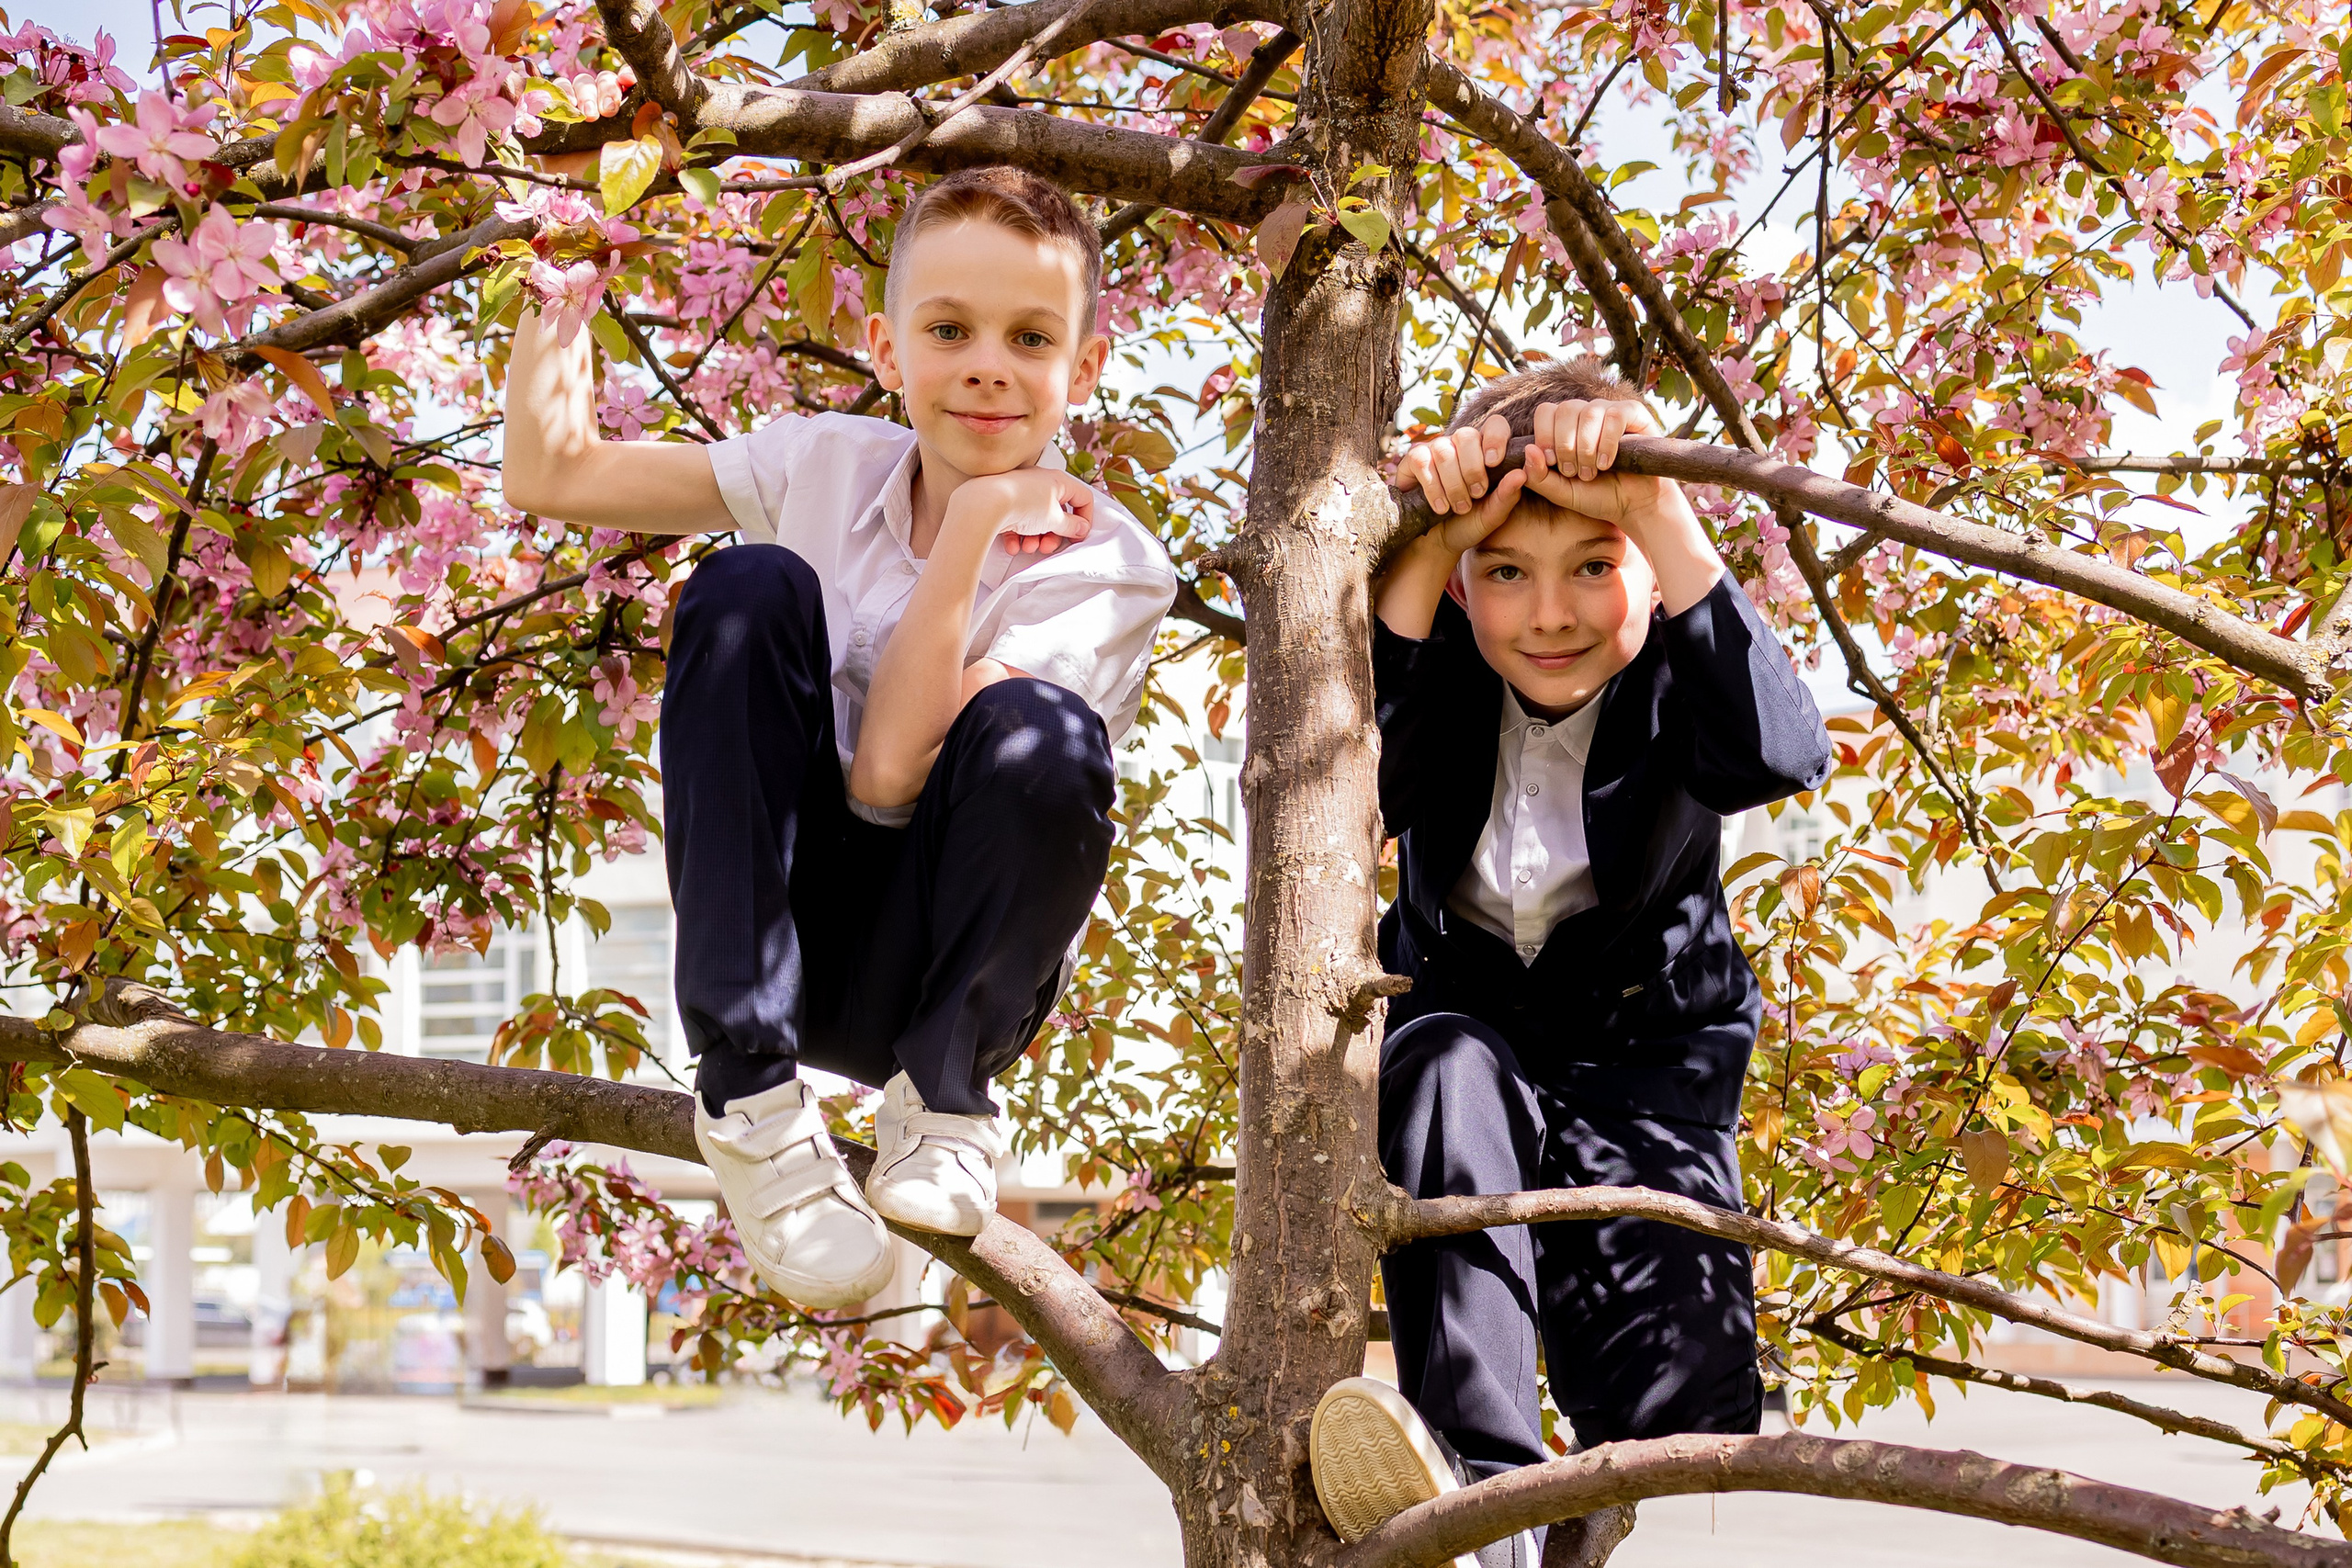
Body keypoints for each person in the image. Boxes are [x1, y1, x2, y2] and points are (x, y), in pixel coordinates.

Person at [502, 166, 1176, 1308]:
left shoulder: (1111, 564)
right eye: (948, 329)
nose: (985, 365)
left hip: (935, 971)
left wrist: (969, 532)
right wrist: (554, 295)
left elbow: (888, 775)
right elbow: (552, 472)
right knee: (748, 585)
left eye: (1030, 337)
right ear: (884, 345)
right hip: (783, 943)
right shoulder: (824, 462)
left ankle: (943, 1106)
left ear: (1084, 369)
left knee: (1042, 731)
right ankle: (752, 1101)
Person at [1307, 362, 1832, 1567]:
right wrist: (1430, 547)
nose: (1546, 613)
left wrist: (1654, 500)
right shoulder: (1441, 651)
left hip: (1647, 1043)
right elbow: (1364, 782)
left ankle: (1581, 1502)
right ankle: (1481, 1492)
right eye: (1507, 571)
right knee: (1439, 1070)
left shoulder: (1677, 673)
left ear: (1649, 565)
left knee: (1671, 1407)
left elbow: (1778, 751)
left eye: (1592, 566)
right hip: (1473, 1012)